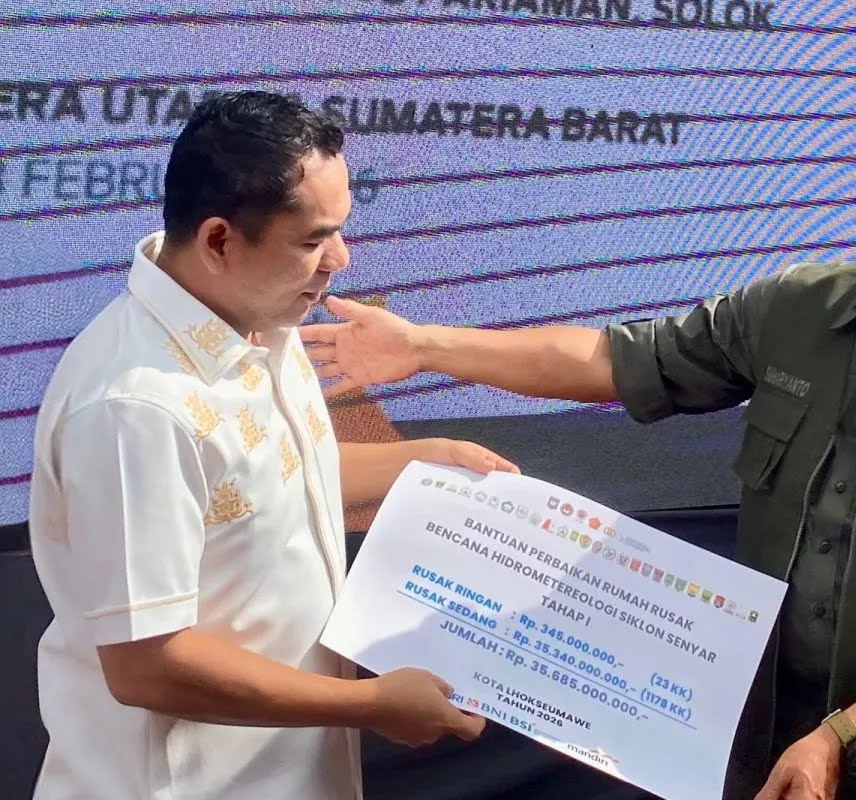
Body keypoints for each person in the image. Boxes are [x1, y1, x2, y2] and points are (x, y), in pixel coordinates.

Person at [301, 93, 856, 800]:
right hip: (760, 740)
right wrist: (425, 346)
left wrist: (843, 734)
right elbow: (616, 360)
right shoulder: (796, 309)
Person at [27, 90, 519, 800]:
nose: (340, 259)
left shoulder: (259, 321)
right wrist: (368, 705)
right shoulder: (135, 408)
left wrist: (422, 461)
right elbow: (146, 665)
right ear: (219, 241)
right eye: (314, 240)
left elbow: (264, 486)